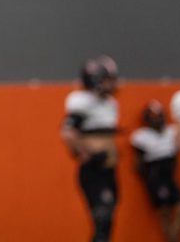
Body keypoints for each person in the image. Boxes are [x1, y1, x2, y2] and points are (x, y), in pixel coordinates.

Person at [61, 55, 121, 242]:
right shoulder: (81, 102)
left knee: (107, 221)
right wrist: (88, 154)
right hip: (94, 170)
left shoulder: (110, 104)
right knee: (102, 218)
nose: (112, 84)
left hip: (108, 169)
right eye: (108, 79)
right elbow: (68, 132)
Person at [130, 100, 180, 242]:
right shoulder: (141, 136)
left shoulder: (171, 131)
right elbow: (138, 163)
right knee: (164, 210)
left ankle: (173, 237)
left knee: (179, 206)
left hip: (169, 174)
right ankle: (170, 239)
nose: (157, 120)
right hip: (156, 176)